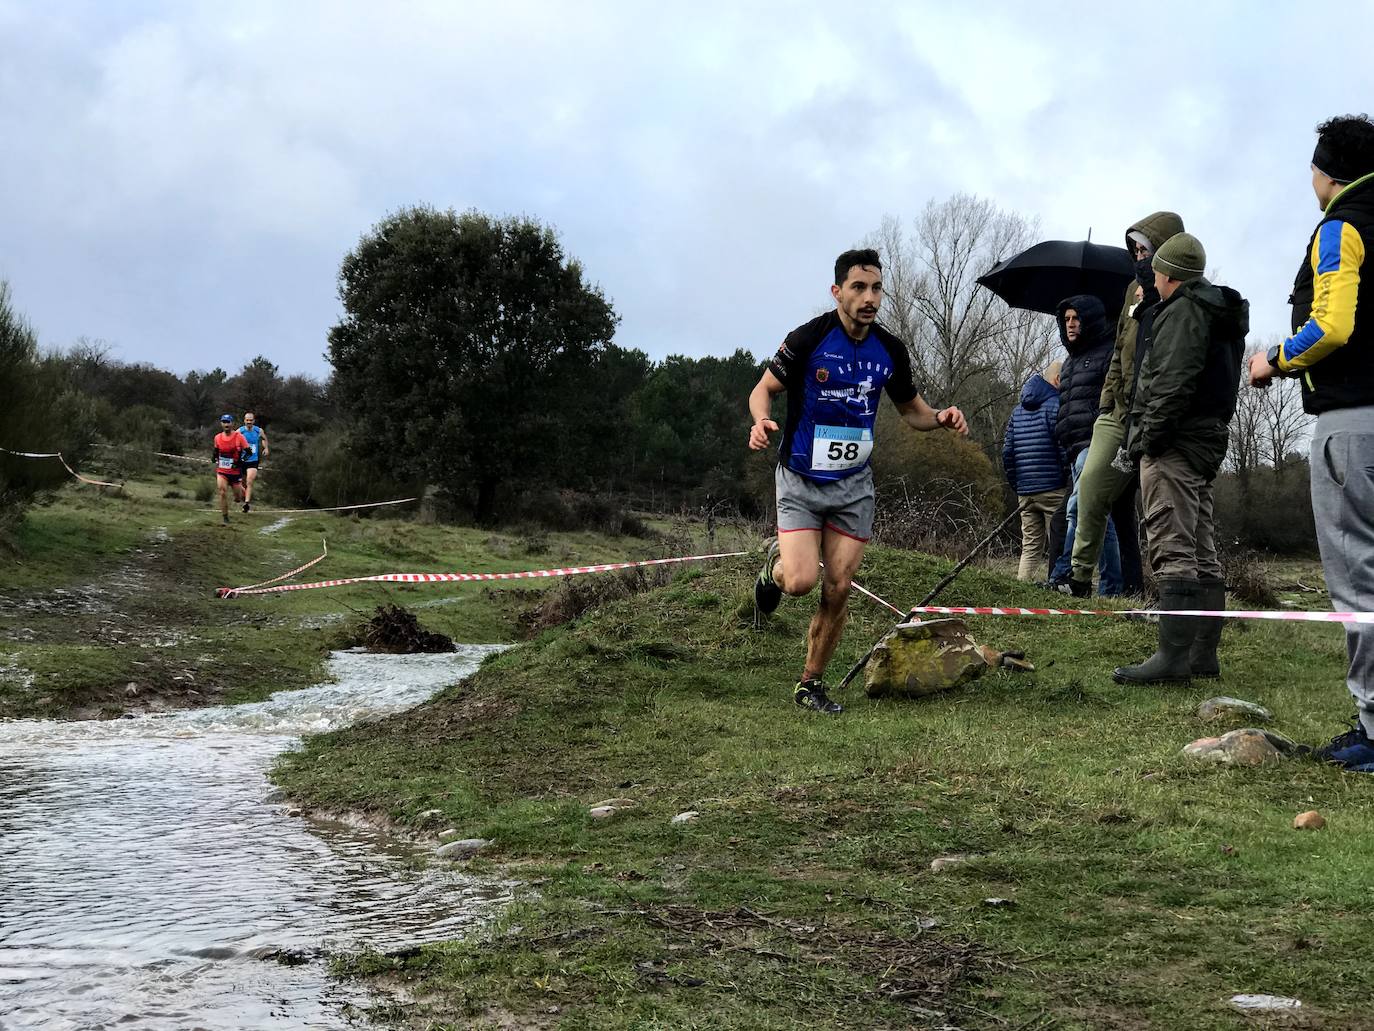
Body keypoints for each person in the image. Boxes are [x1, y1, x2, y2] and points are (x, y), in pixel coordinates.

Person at [748, 248, 969, 715]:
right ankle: (775, 569)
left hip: (853, 486)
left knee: (840, 588)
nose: (870, 298)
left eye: (876, 288)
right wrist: (761, 421)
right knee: (803, 582)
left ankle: (810, 684)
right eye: (859, 288)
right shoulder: (809, 339)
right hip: (801, 482)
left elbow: (912, 411)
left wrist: (942, 417)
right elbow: (763, 389)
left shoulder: (889, 350)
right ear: (837, 292)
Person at [1249, 114, 1374, 768]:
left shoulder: (1341, 225)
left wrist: (1275, 358)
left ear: (1328, 172)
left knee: (1359, 574)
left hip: (1353, 424)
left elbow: (1332, 324)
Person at [1113, 232, 1247, 684]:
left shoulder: (1184, 312)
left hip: (1174, 444)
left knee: (1171, 548)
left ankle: (1172, 660)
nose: (1151, 273)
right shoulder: (1216, 312)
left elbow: (1170, 384)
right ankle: (1201, 656)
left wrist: (1144, 441)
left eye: (1156, 268)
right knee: (1202, 550)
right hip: (1204, 443)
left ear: (1169, 273)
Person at [1063, 211, 1185, 599]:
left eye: (1145, 248)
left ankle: (1148, 590)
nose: (1137, 255)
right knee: (1092, 488)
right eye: (1133, 248)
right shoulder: (1131, 291)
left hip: (1157, 420)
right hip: (1117, 415)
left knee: (1148, 506)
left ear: (1164, 250)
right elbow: (1119, 353)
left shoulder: (1183, 295)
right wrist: (1106, 403)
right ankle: (1079, 578)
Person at [1048, 296, 1123, 594]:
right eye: (1066, 319)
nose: (1070, 324)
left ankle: (1064, 575)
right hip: (1073, 445)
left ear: (1089, 320)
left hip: (1096, 442)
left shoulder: (1107, 354)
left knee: (1077, 509)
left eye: (1076, 318)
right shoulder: (1068, 362)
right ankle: (1112, 587)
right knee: (1097, 514)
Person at [1003, 361, 1068, 581]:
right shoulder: (1057, 405)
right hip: (1053, 488)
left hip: (1025, 491)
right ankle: (1058, 591)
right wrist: (1066, 479)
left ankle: (1021, 591)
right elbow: (1062, 448)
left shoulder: (1017, 411)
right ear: (1057, 380)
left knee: (1030, 546)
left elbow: (1008, 453)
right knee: (1058, 542)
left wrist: (1018, 484)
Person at [212, 414, 250, 525]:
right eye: (224, 422)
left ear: (232, 424)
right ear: (221, 424)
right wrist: (214, 456)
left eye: (228, 422)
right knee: (222, 492)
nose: (226, 424)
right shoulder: (217, 437)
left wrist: (240, 461)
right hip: (222, 471)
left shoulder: (239, 437)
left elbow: (248, 452)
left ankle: (243, 493)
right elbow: (216, 450)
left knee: (238, 498)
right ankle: (225, 518)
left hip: (235, 472)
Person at [236, 411, 269, 512]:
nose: (249, 422)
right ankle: (243, 496)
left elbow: (264, 439)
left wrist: (266, 448)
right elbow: (233, 441)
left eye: (251, 420)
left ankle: (246, 504)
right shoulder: (240, 431)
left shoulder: (258, 430)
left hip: (253, 460)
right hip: (241, 460)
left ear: (254, 421)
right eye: (247, 420)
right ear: (244, 421)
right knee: (240, 483)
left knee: (250, 481)